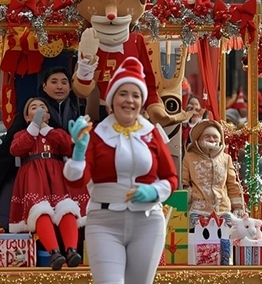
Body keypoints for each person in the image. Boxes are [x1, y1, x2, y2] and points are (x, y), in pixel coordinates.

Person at [64, 57, 177, 284]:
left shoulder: (152, 134)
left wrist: (154, 192)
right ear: (111, 101)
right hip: (105, 221)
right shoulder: (96, 134)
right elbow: (76, 183)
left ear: (142, 102)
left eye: (136, 95)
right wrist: (78, 153)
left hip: (147, 221)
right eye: (123, 93)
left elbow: (171, 178)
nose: (129, 100)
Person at [0, 67, 80, 223]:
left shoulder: (76, 110)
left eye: (64, 82)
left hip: (64, 171)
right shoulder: (33, 108)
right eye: (54, 82)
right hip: (34, 171)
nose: (59, 87)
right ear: (44, 86)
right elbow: (10, 149)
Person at [9, 97, 83, 270]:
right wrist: (34, 128)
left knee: (66, 209)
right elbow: (16, 149)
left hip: (56, 175)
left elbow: (67, 146)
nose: (39, 109)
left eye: (43, 107)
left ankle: (72, 250)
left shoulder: (56, 132)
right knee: (39, 211)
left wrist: (46, 129)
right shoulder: (21, 134)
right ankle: (54, 253)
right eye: (34, 107)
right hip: (33, 176)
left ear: (49, 115)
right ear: (27, 117)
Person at [182, 119, 244, 226]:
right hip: (198, 211)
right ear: (199, 138)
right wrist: (192, 196)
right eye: (207, 136)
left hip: (223, 210)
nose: (212, 139)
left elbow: (232, 185)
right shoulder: (189, 157)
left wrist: (238, 207)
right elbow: (184, 182)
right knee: (199, 241)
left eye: (215, 137)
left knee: (225, 240)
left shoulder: (226, 158)